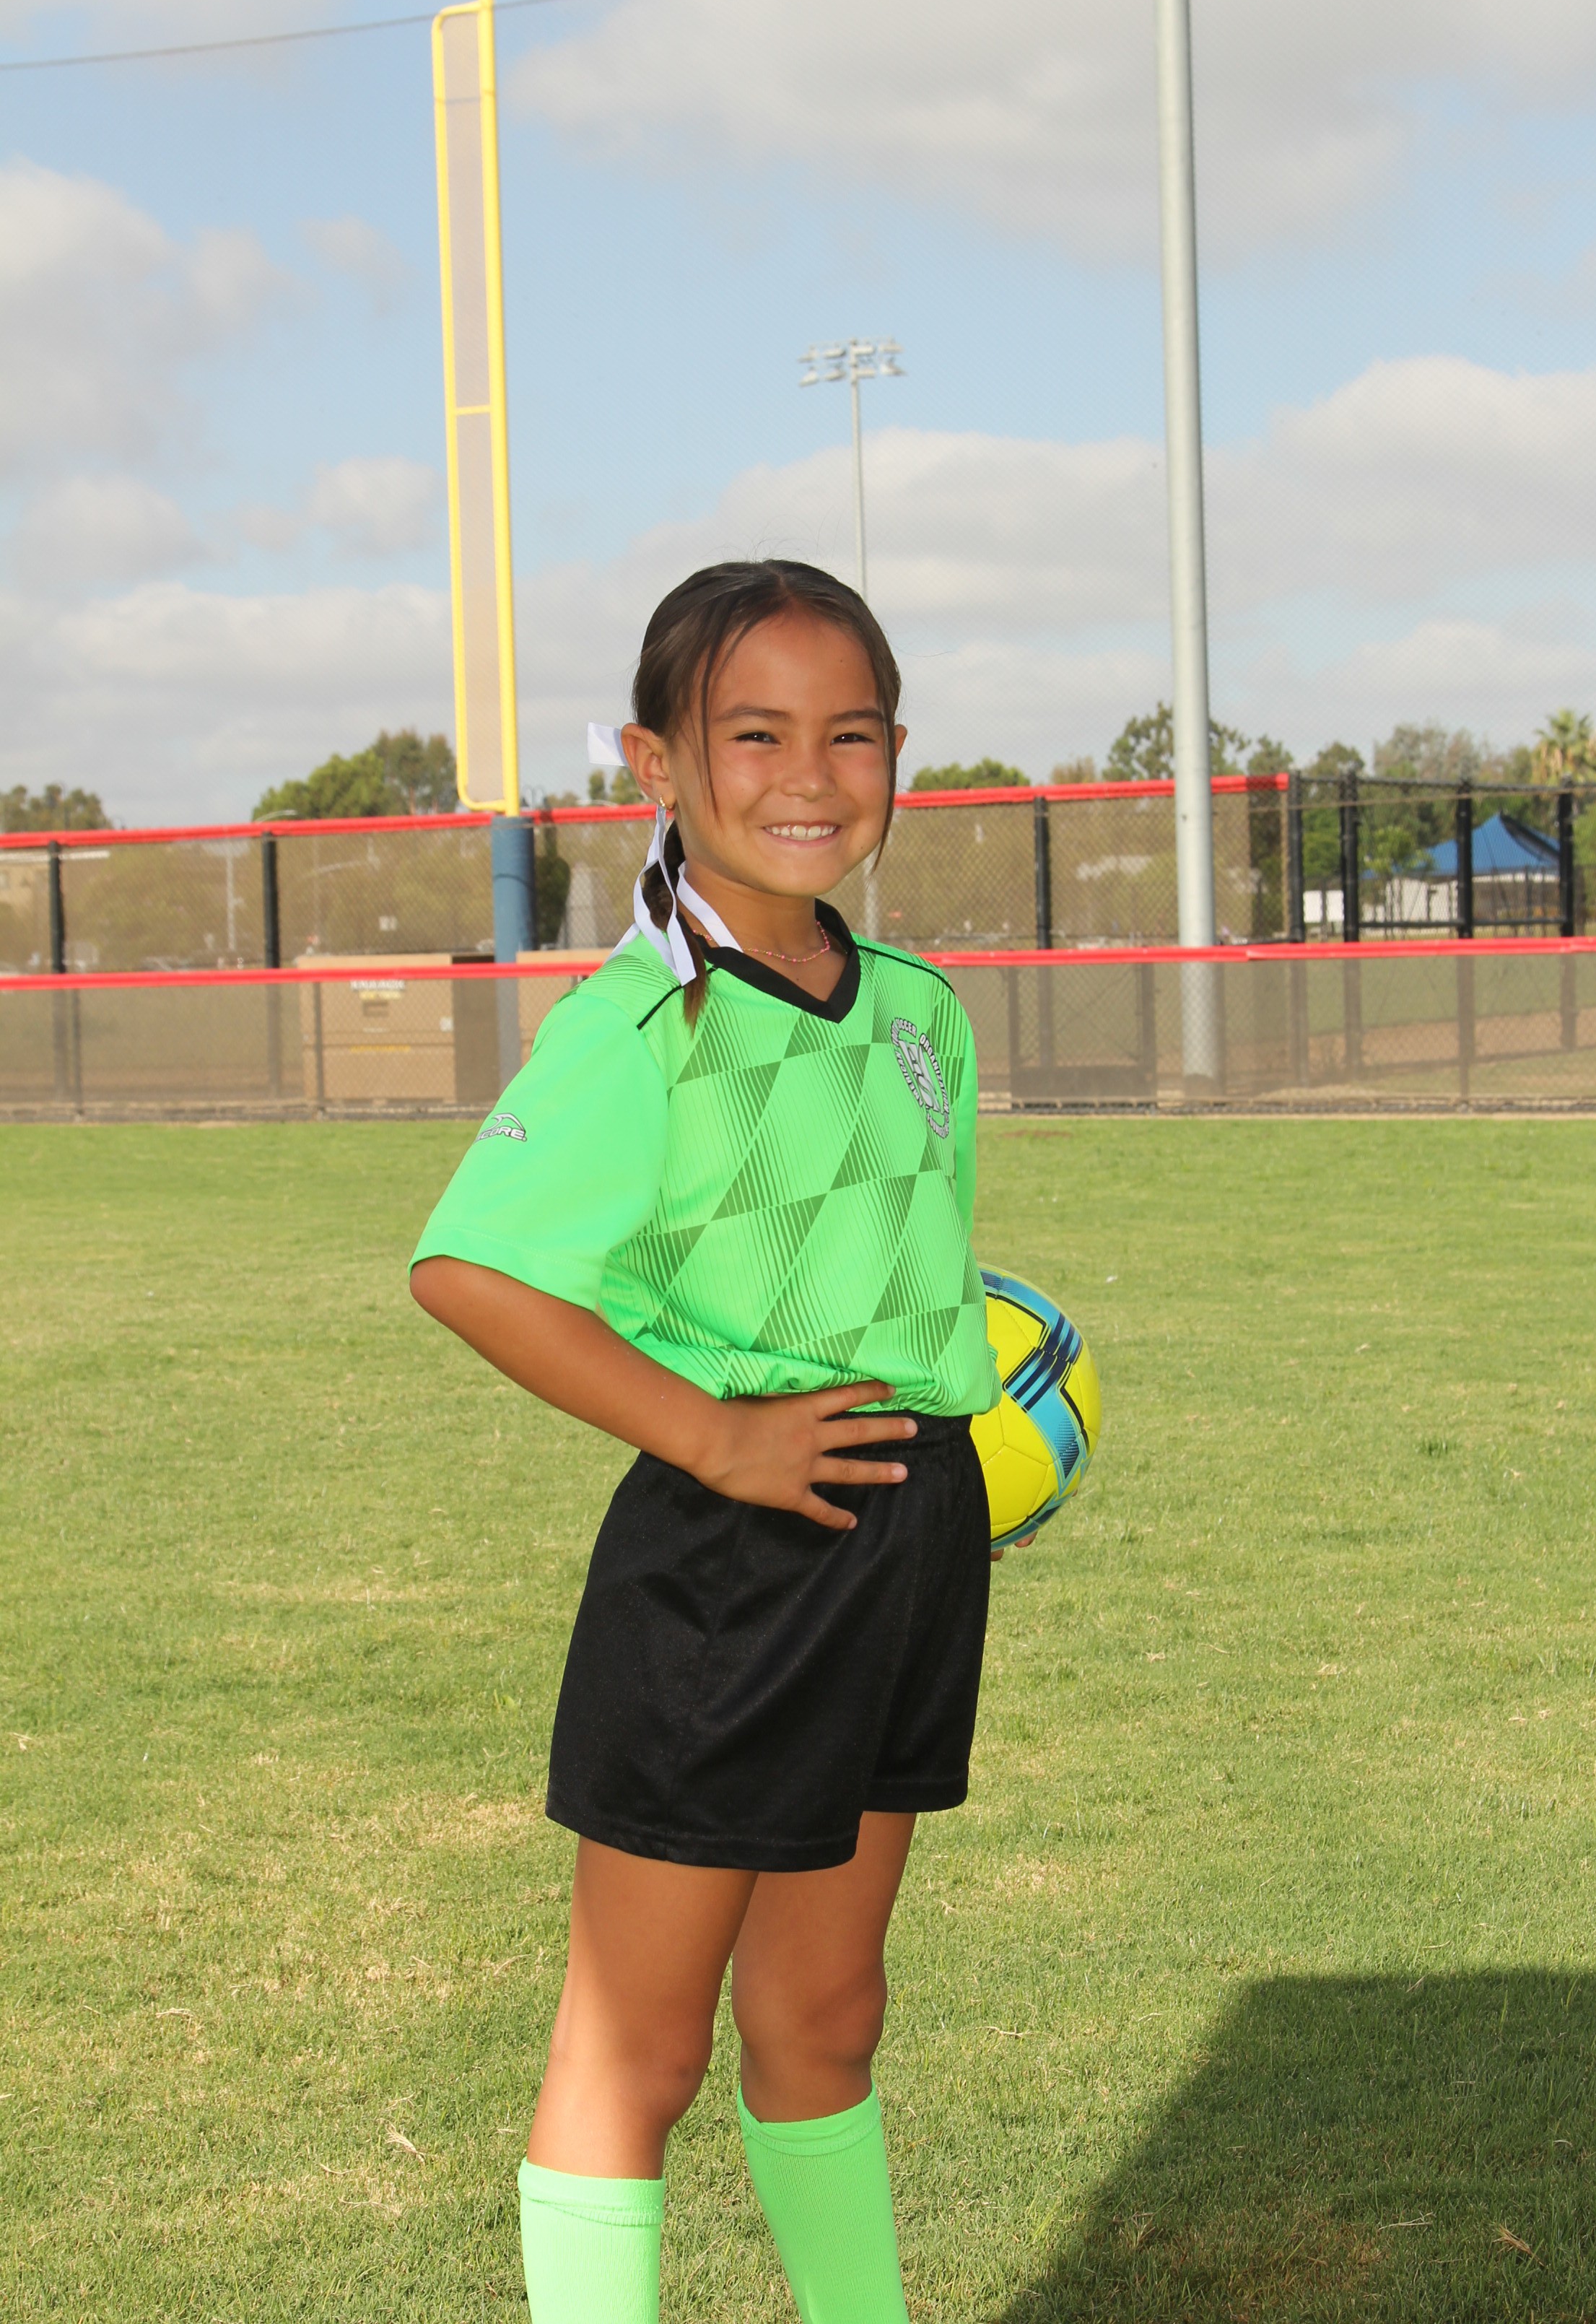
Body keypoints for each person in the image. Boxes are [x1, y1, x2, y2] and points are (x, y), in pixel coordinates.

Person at [409, 559, 998, 2324]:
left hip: (907, 1536)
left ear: (898, 754)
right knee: (636, 2046)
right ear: (656, 763)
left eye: (852, 734)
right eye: (754, 734)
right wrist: (714, 1438)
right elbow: (471, 1270)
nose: (809, 775)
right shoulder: (639, 1021)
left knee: (827, 2014)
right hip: (731, 1567)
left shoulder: (919, 1007)